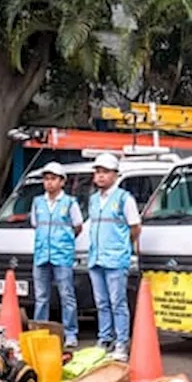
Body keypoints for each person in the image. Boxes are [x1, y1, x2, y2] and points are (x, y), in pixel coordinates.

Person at [86, 152, 142, 361]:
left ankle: (121, 342)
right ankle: (104, 338)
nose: (100, 176)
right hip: (96, 258)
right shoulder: (93, 200)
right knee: (101, 302)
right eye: (98, 172)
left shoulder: (124, 199)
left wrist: (122, 246)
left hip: (116, 259)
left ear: (115, 175)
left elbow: (135, 228)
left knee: (117, 302)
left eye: (105, 172)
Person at [31, 161, 83, 348]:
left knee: (66, 295)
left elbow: (78, 226)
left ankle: (70, 333)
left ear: (62, 182)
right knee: (41, 296)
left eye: (53, 179)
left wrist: (64, 242)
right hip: (41, 254)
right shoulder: (38, 202)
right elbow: (36, 224)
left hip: (62, 255)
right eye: (46, 179)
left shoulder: (70, 203)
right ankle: (40, 331)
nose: (49, 183)